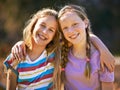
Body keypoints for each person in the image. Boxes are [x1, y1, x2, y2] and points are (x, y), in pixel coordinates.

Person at [58, 5, 114, 90]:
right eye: (65, 28)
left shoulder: (101, 58)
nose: (70, 31)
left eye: (75, 24)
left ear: (85, 23)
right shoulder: (63, 54)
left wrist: (101, 47)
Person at [4, 8, 61, 90]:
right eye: (42, 25)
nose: (44, 32)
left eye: (51, 30)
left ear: (54, 36)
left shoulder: (55, 57)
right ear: (34, 25)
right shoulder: (16, 57)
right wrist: (20, 43)